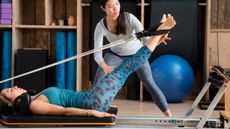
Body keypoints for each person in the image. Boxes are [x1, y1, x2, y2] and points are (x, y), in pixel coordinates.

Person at [0, 16, 176, 118]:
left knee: (127, 68)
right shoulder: (34, 105)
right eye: (9, 91)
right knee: (126, 68)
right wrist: (93, 114)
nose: (13, 86)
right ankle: (159, 34)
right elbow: (65, 111)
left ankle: (157, 37)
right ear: (11, 103)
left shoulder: (35, 98)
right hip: (94, 102)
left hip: (92, 97)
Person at [93, 0, 172, 116]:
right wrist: (105, 67)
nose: (115, 8)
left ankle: (169, 115)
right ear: (103, 8)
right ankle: (95, 110)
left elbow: (145, 40)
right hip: (115, 55)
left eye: (117, 4)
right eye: (110, 6)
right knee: (99, 81)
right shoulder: (100, 27)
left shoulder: (129, 18)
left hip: (137, 54)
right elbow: (97, 54)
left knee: (150, 84)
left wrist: (158, 40)